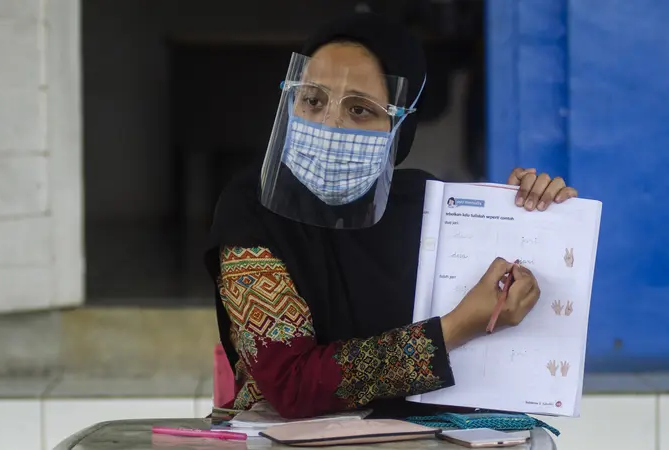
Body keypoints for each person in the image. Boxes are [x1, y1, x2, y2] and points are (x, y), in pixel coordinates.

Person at [204, 13, 579, 419]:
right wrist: (455, 328)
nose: (329, 124)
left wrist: (526, 219)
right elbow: (292, 385)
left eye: (360, 110)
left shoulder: (429, 207)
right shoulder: (252, 205)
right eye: (312, 100)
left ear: (400, 125)